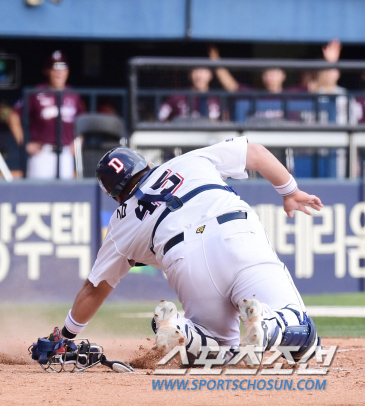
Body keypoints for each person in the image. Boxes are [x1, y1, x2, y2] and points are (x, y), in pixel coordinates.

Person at [38, 138, 322, 365]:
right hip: (235, 233)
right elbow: (256, 153)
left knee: (221, 349)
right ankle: (272, 326)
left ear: (115, 195)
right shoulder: (188, 160)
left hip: (184, 259)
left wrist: (65, 336)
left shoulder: (121, 223)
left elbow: (95, 288)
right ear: (145, 163)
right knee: (304, 336)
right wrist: (290, 192)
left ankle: (184, 330)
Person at [9, 50, 86, 179]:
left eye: (62, 67)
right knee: (38, 195)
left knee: (64, 196)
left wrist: (78, 143)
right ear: (47, 71)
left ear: (67, 71)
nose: (58, 72)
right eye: (54, 68)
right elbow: (13, 116)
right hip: (42, 153)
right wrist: (24, 143)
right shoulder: (37, 92)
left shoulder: (73, 95)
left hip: (65, 153)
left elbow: (83, 121)